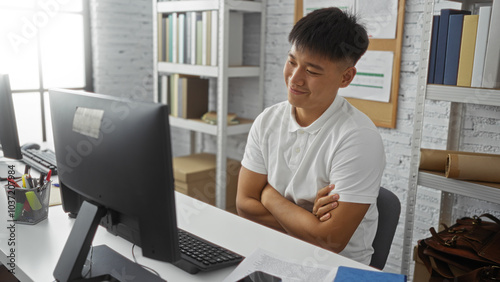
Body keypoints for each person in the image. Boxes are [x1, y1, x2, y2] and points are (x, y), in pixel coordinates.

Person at [236, 7, 386, 265]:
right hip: (272, 252)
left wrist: (268, 195)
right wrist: (308, 222)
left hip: (333, 268)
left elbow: (329, 241)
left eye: (312, 71)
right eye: (292, 62)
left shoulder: (358, 138)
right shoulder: (268, 121)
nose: (295, 79)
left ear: (346, 77)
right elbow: (244, 205)